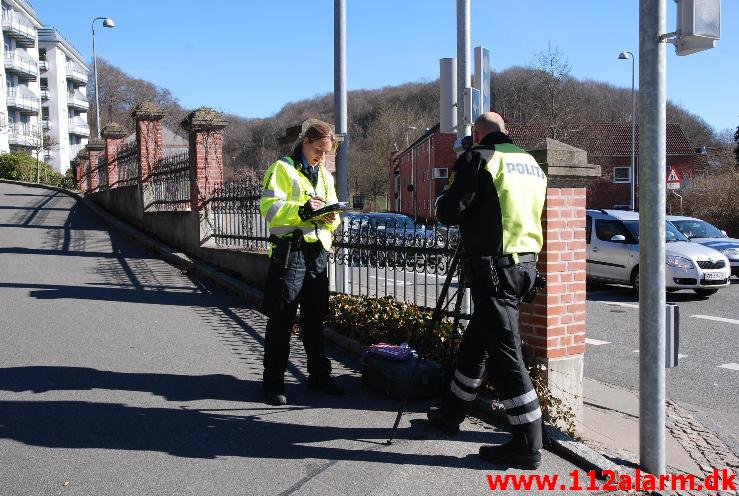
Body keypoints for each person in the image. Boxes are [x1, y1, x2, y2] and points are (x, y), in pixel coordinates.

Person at [427, 112, 548, 470]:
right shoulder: (531, 164)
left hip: (493, 267)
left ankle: (528, 443)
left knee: (505, 352)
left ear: (477, 134)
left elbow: (450, 211)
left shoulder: (478, 158)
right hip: (526, 264)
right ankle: (451, 413)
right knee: (478, 341)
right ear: (506, 131)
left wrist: (454, 179)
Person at [259, 120, 344, 406]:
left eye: (327, 152)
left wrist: (331, 218)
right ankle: (273, 383)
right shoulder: (281, 168)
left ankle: (319, 376)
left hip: (317, 252)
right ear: (305, 141)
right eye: (319, 150)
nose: (322, 157)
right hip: (291, 251)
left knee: (315, 318)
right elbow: (270, 210)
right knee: (282, 318)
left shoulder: (324, 174)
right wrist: (304, 212)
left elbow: (334, 211)